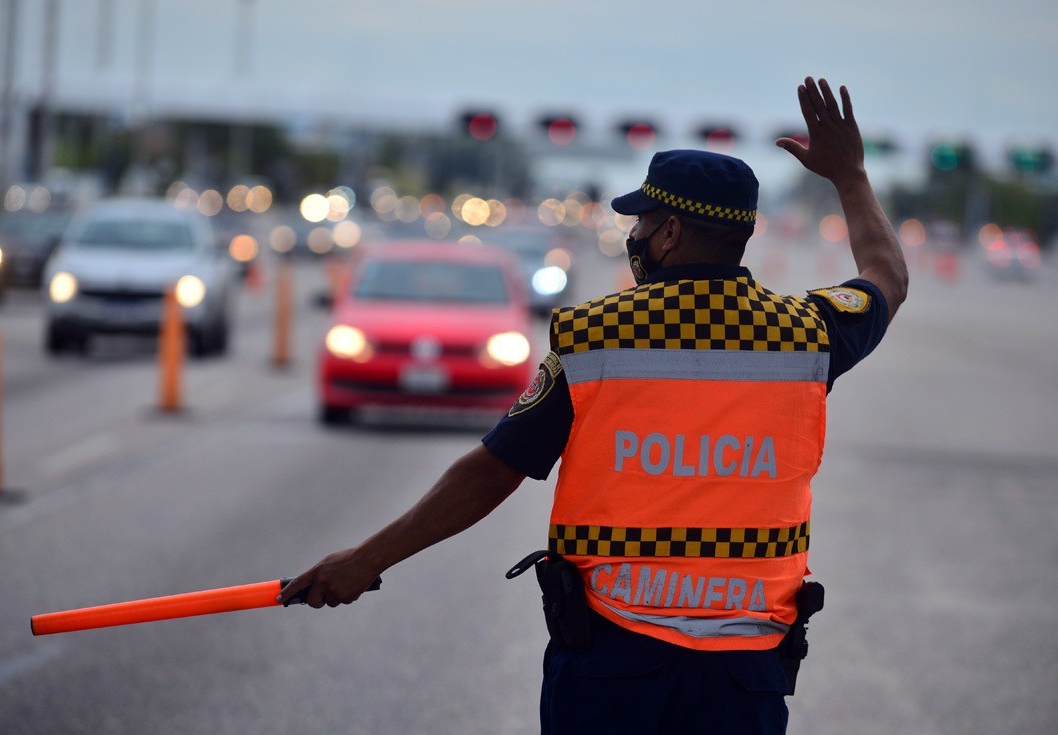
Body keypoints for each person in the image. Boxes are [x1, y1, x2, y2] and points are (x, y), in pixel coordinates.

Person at [279, 77, 908, 734]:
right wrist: (852, 176)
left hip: (614, 666)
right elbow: (887, 276)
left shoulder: (594, 336)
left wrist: (365, 560)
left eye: (639, 222)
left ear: (668, 233)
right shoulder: (806, 334)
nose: (632, 236)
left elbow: (492, 471)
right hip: (743, 676)